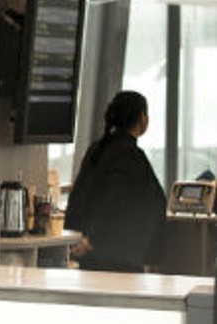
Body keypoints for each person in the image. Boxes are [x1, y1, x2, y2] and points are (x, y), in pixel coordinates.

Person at [65, 91, 167, 273]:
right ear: (142, 118)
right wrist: (92, 240)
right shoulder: (129, 155)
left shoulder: (98, 149)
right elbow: (114, 201)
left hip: (89, 255)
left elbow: (78, 196)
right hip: (116, 257)